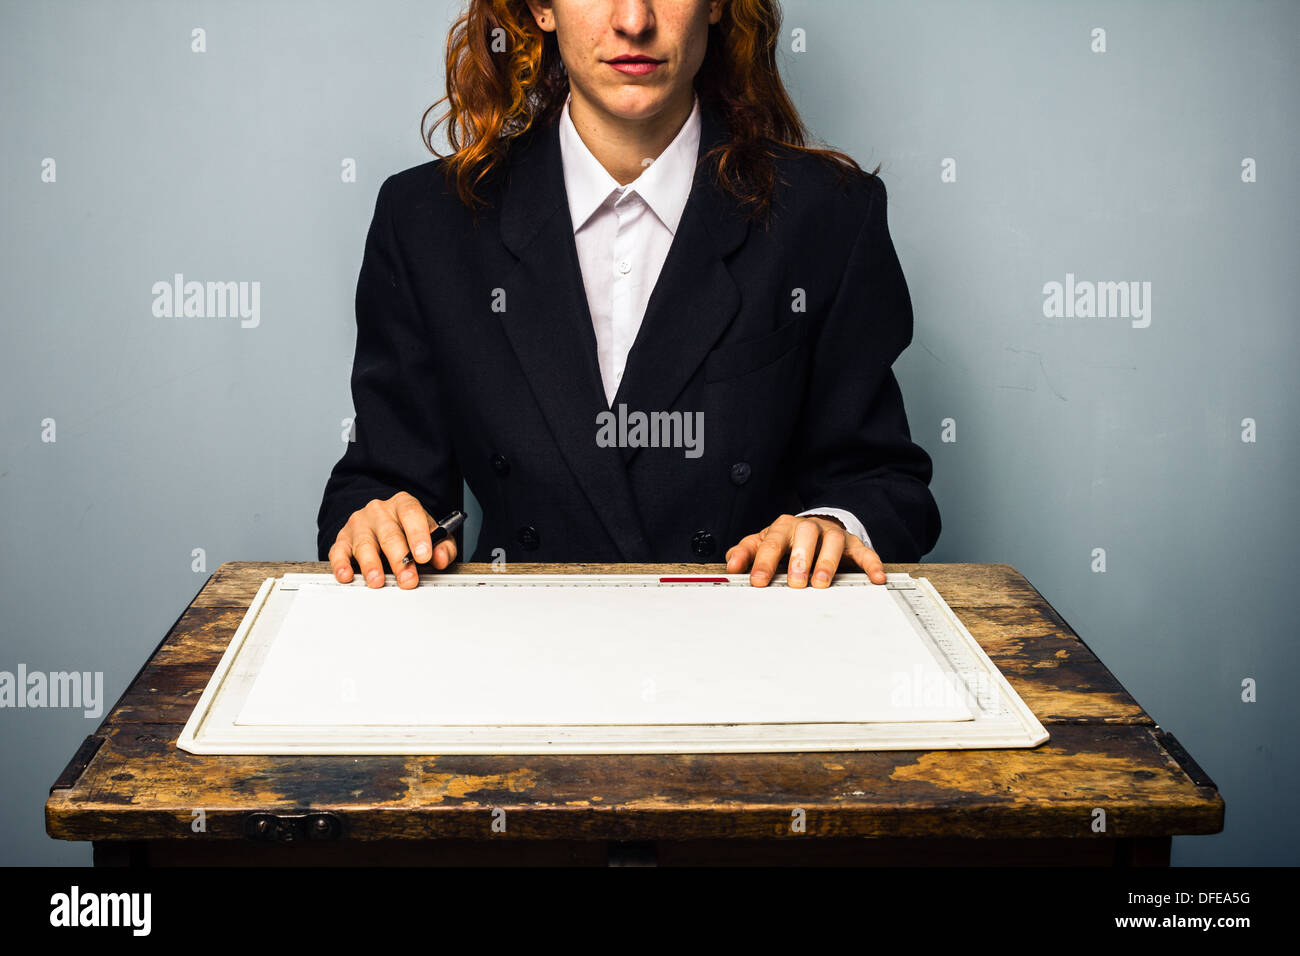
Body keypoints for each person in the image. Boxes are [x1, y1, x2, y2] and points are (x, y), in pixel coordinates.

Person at [316, 0, 940, 590]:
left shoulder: (828, 215)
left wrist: (831, 527)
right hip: (519, 646)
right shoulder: (427, 221)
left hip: (747, 645)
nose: (634, 21)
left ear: (717, 4)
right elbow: (381, 482)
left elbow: (883, 482)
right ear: (542, 8)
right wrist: (378, 523)